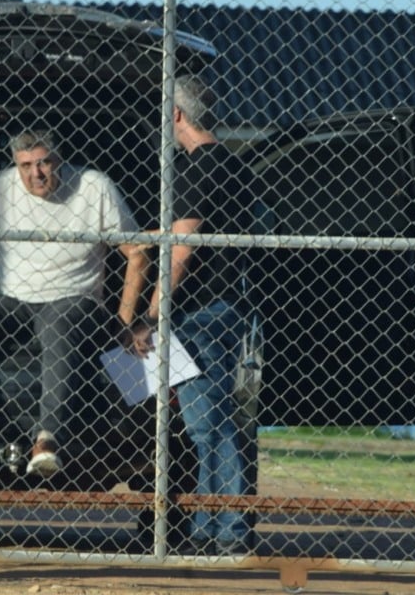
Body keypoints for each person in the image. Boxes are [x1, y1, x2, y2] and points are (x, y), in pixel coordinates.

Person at [0, 129, 146, 477]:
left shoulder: (94, 186)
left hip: (76, 300)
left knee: (57, 322)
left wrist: (124, 322)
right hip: (15, 300)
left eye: (44, 163)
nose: (36, 174)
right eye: (25, 166)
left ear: (60, 160)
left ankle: (47, 440)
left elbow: (137, 253)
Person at [128, 74, 258, 556]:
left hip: (199, 312)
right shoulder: (233, 164)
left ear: (177, 114)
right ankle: (207, 526)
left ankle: (229, 531)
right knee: (209, 421)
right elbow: (183, 231)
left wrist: (151, 315)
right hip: (225, 306)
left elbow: (181, 250)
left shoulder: (198, 168)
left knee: (209, 424)